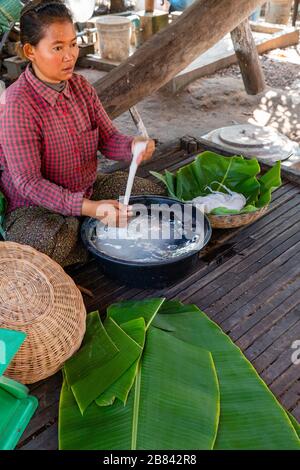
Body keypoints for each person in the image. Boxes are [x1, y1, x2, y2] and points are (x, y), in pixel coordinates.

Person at [0, 0, 165, 267]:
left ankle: (90, 234)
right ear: (30, 50)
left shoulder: (80, 87)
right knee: (40, 248)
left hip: (87, 190)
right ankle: (91, 233)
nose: (69, 56)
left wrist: (133, 146)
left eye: (73, 44)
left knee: (149, 196)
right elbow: (29, 183)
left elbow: (108, 138)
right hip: (36, 208)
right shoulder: (17, 105)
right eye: (57, 48)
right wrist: (93, 209)